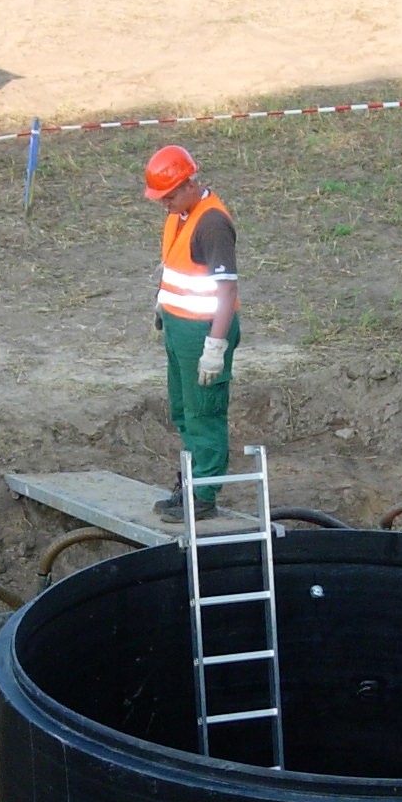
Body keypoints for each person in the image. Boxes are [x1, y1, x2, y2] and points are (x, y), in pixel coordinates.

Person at [143, 144, 239, 522]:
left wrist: (215, 347)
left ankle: (203, 495)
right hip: (179, 329)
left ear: (189, 184)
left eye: (168, 195)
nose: (163, 203)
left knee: (204, 413)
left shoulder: (212, 223)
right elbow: (177, 268)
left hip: (203, 333)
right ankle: (190, 483)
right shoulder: (180, 214)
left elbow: (226, 290)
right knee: (184, 411)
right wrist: (162, 304)